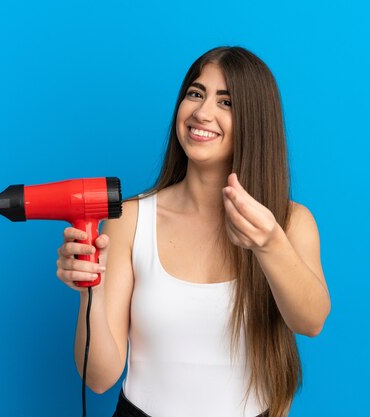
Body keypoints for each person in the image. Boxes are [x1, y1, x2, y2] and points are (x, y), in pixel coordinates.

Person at [55, 46, 331, 417]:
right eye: (195, 93)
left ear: (256, 121)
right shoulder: (130, 220)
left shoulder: (290, 223)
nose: (202, 112)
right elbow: (100, 378)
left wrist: (268, 244)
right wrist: (90, 291)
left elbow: (311, 321)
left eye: (227, 102)